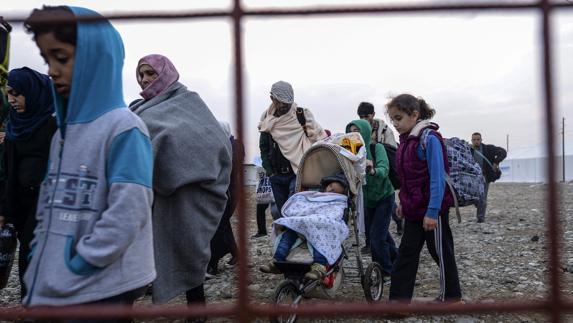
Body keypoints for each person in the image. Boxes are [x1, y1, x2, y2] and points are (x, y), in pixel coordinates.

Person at [22, 5, 156, 317]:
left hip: (101, 285)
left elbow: (129, 209)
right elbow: (48, 200)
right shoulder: (62, 133)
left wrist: (81, 260)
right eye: (47, 60)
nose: (52, 70)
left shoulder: (124, 127)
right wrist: (39, 248)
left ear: (95, 58)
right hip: (56, 281)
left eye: (62, 58)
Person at [130, 54, 231, 310]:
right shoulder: (138, 109)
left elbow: (214, 142)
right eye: (141, 74)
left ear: (166, 73)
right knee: (137, 253)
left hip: (189, 195)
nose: (144, 80)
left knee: (189, 249)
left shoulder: (189, 102)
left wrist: (171, 158)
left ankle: (197, 308)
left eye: (150, 73)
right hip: (149, 195)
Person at [386, 93, 462, 304]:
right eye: (392, 119)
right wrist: (402, 202)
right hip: (413, 210)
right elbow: (407, 179)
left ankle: (452, 297)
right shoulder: (405, 142)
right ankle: (398, 304)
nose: (395, 123)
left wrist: (432, 212)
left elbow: (437, 178)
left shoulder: (429, 139)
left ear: (415, 114)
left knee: (441, 252)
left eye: (398, 118)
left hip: (432, 210)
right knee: (406, 255)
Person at [1, 67, 57, 300]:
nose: (11, 99)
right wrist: (4, 209)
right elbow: (8, 170)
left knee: (31, 256)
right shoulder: (15, 124)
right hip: (21, 202)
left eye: (17, 93)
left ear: (32, 92)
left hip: (47, 204)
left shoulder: (53, 125)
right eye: (8, 94)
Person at [259, 172, 350, 280]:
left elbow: (334, 214)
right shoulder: (315, 195)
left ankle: (319, 267)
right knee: (291, 229)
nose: (329, 191)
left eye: (334, 191)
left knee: (322, 237)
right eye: (330, 186)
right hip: (305, 222)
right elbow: (303, 205)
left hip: (321, 225)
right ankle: (277, 261)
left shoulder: (338, 201)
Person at [258, 80, 326, 216]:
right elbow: (264, 147)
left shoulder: (302, 115)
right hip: (276, 176)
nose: (283, 105)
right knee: (281, 213)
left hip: (297, 173)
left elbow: (320, 138)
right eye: (280, 101)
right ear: (272, 98)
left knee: (294, 212)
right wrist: (269, 171)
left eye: (286, 102)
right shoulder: (267, 118)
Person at [346, 119, 397, 279]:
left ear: (366, 132)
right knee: (381, 235)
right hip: (365, 202)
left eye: (358, 130)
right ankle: (399, 261)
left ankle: (385, 272)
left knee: (376, 238)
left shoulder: (377, 148)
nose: (354, 134)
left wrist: (373, 170)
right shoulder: (349, 152)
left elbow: (384, 169)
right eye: (351, 131)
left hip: (384, 196)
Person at [357, 101, 404, 240]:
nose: (364, 119)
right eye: (361, 116)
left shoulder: (383, 128)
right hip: (367, 170)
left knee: (385, 196)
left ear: (373, 114)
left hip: (383, 167)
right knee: (372, 204)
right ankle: (371, 240)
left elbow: (391, 148)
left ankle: (397, 220)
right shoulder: (358, 128)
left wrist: (376, 148)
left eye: (367, 115)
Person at [207, 121, 244, 277]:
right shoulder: (223, 144)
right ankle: (235, 254)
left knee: (220, 225)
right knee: (222, 224)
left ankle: (213, 262)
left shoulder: (234, 146)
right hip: (224, 191)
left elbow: (230, 167)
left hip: (230, 191)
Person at [471, 132, 507, 223]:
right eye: (474, 140)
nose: (476, 141)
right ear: (471, 140)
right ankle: (478, 204)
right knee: (474, 197)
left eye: (478, 139)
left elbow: (503, 152)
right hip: (472, 178)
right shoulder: (468, 150)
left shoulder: (488, 149)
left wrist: (496, 162)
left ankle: (480, 218)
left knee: (482, 198)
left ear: (481, 140)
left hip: (484, 177)